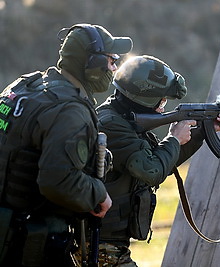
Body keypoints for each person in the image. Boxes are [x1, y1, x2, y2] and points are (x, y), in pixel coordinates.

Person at [0, 24, 132, 266]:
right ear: (91, 62)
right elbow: (59, 181)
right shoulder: (70, 111)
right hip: (30, 240)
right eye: (111, 60)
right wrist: (99, 193)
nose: (114, 67)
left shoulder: (25, 87)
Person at [96, 55, 220, 266]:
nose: (163, 107)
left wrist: (203, 131)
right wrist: (173, 138)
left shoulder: (123, 119)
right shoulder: (111, 125)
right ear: (142, 98)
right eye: (161, 101)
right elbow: (152, 171)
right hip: (100, 245)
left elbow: (162, 161)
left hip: (110, 243)